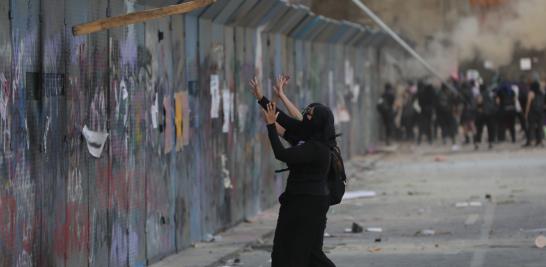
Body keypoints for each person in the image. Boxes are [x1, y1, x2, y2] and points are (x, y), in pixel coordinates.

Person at [249, 76, 336, 267]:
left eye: (311, 115)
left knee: (293, 249)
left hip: (306, 203)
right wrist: (261, 98)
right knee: (308, 252)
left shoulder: (316, 148)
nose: (306, 116)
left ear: (318, 122)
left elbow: (281, 153)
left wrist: (271, 126)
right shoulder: (311, 137)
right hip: (305, 200)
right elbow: (286, 119)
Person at [474, 83, 497, 149]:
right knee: (490, 129)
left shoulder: (480, 94)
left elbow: (479, 102)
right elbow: (496, 101)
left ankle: (477, 143)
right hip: (491, 113)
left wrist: (478, 108)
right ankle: (491, 143)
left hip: (482, 113)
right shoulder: (491, 93)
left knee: (479, 129)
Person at [523, 81, 545, 147]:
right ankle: (540, 141)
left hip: (532, 113)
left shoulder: (531, 93)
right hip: (541, 113)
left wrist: (526, 113)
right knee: (540, 127)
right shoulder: (542, 93)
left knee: (530, 127)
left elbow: (528, 104)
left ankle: (530, 141)